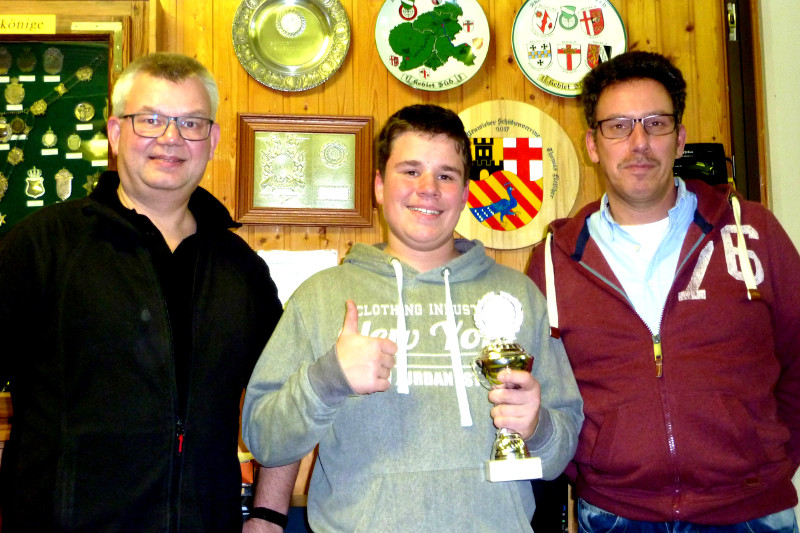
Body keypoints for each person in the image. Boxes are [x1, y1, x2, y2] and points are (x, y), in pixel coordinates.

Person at [242, 104, 584, 532]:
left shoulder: (519, 297)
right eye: (410, 171)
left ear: (464, 194)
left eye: (446, 175)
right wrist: (327, 379)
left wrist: (537, 427)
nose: (428, 189)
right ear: (380, 187)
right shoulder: (321, 297)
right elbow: (265, 440)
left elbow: (559, 453)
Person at [0, 53, 296, 532]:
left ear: (212, 140)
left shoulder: (241, 269)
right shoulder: (43, 246)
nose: (171, 138)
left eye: (191, 123)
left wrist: (266, 514)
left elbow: (286, 399)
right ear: (116, 134)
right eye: (151, 120)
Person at [527, 51, 800, 531]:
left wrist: (761, 467)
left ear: (680, 139)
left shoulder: (752, 232)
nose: (638, 143)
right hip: (615, 516)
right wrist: (593, 472)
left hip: (752, 515)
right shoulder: (554, 257)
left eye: (655, 123)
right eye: (618, 126)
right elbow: (545, 392)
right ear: (592, 144)